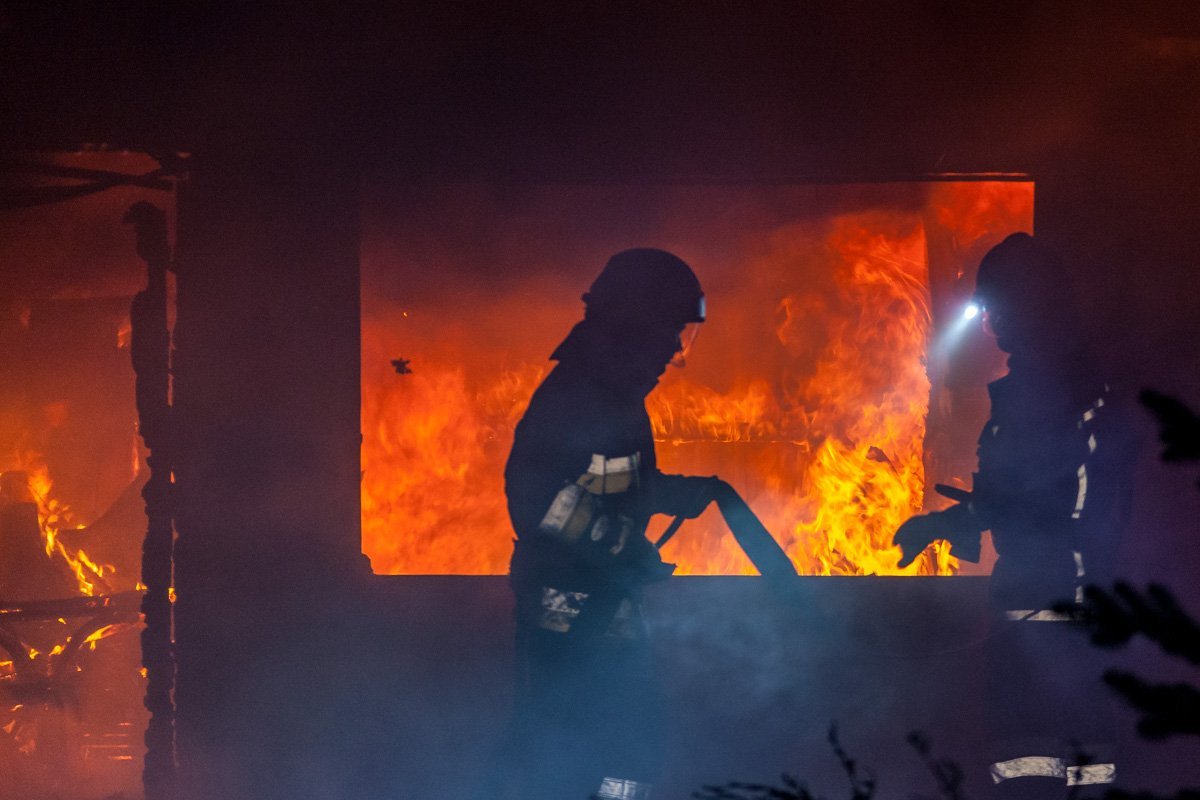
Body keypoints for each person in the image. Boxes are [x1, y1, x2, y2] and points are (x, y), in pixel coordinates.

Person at [893, 233, 1135, 799]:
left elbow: (1071, 499)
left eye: (1000, 308)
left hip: (1059, 601)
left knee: (1044, 753)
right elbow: (1020, 493)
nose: (991, 325)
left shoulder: (1069, 392)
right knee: (1044, 756)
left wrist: (968, 521)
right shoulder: (1040, 387)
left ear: (1034, 304)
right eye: (987, 311)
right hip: (1042, 597)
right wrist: (958, 521)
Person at [502, 248, 725, 800]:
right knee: (591, 754)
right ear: (632, 324)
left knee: (623, 751)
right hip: (573, 615)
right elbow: (535, 496)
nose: (674, 347)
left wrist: (673, 493)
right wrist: (622, 547)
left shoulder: (609, 397)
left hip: (601, 610)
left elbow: (606, 483)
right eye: (669, 329)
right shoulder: (578, 396)